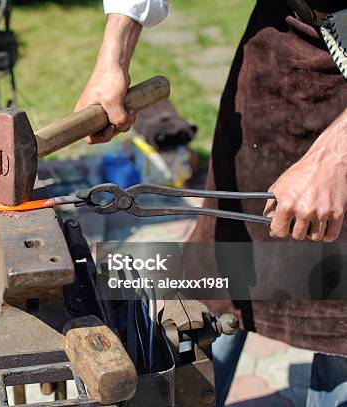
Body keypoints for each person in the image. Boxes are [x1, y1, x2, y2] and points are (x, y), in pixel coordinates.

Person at [75, 1, 347, 406]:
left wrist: (337, 156)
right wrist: (114, 55)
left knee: (337, 307)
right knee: (220, 271)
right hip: (277, 52)